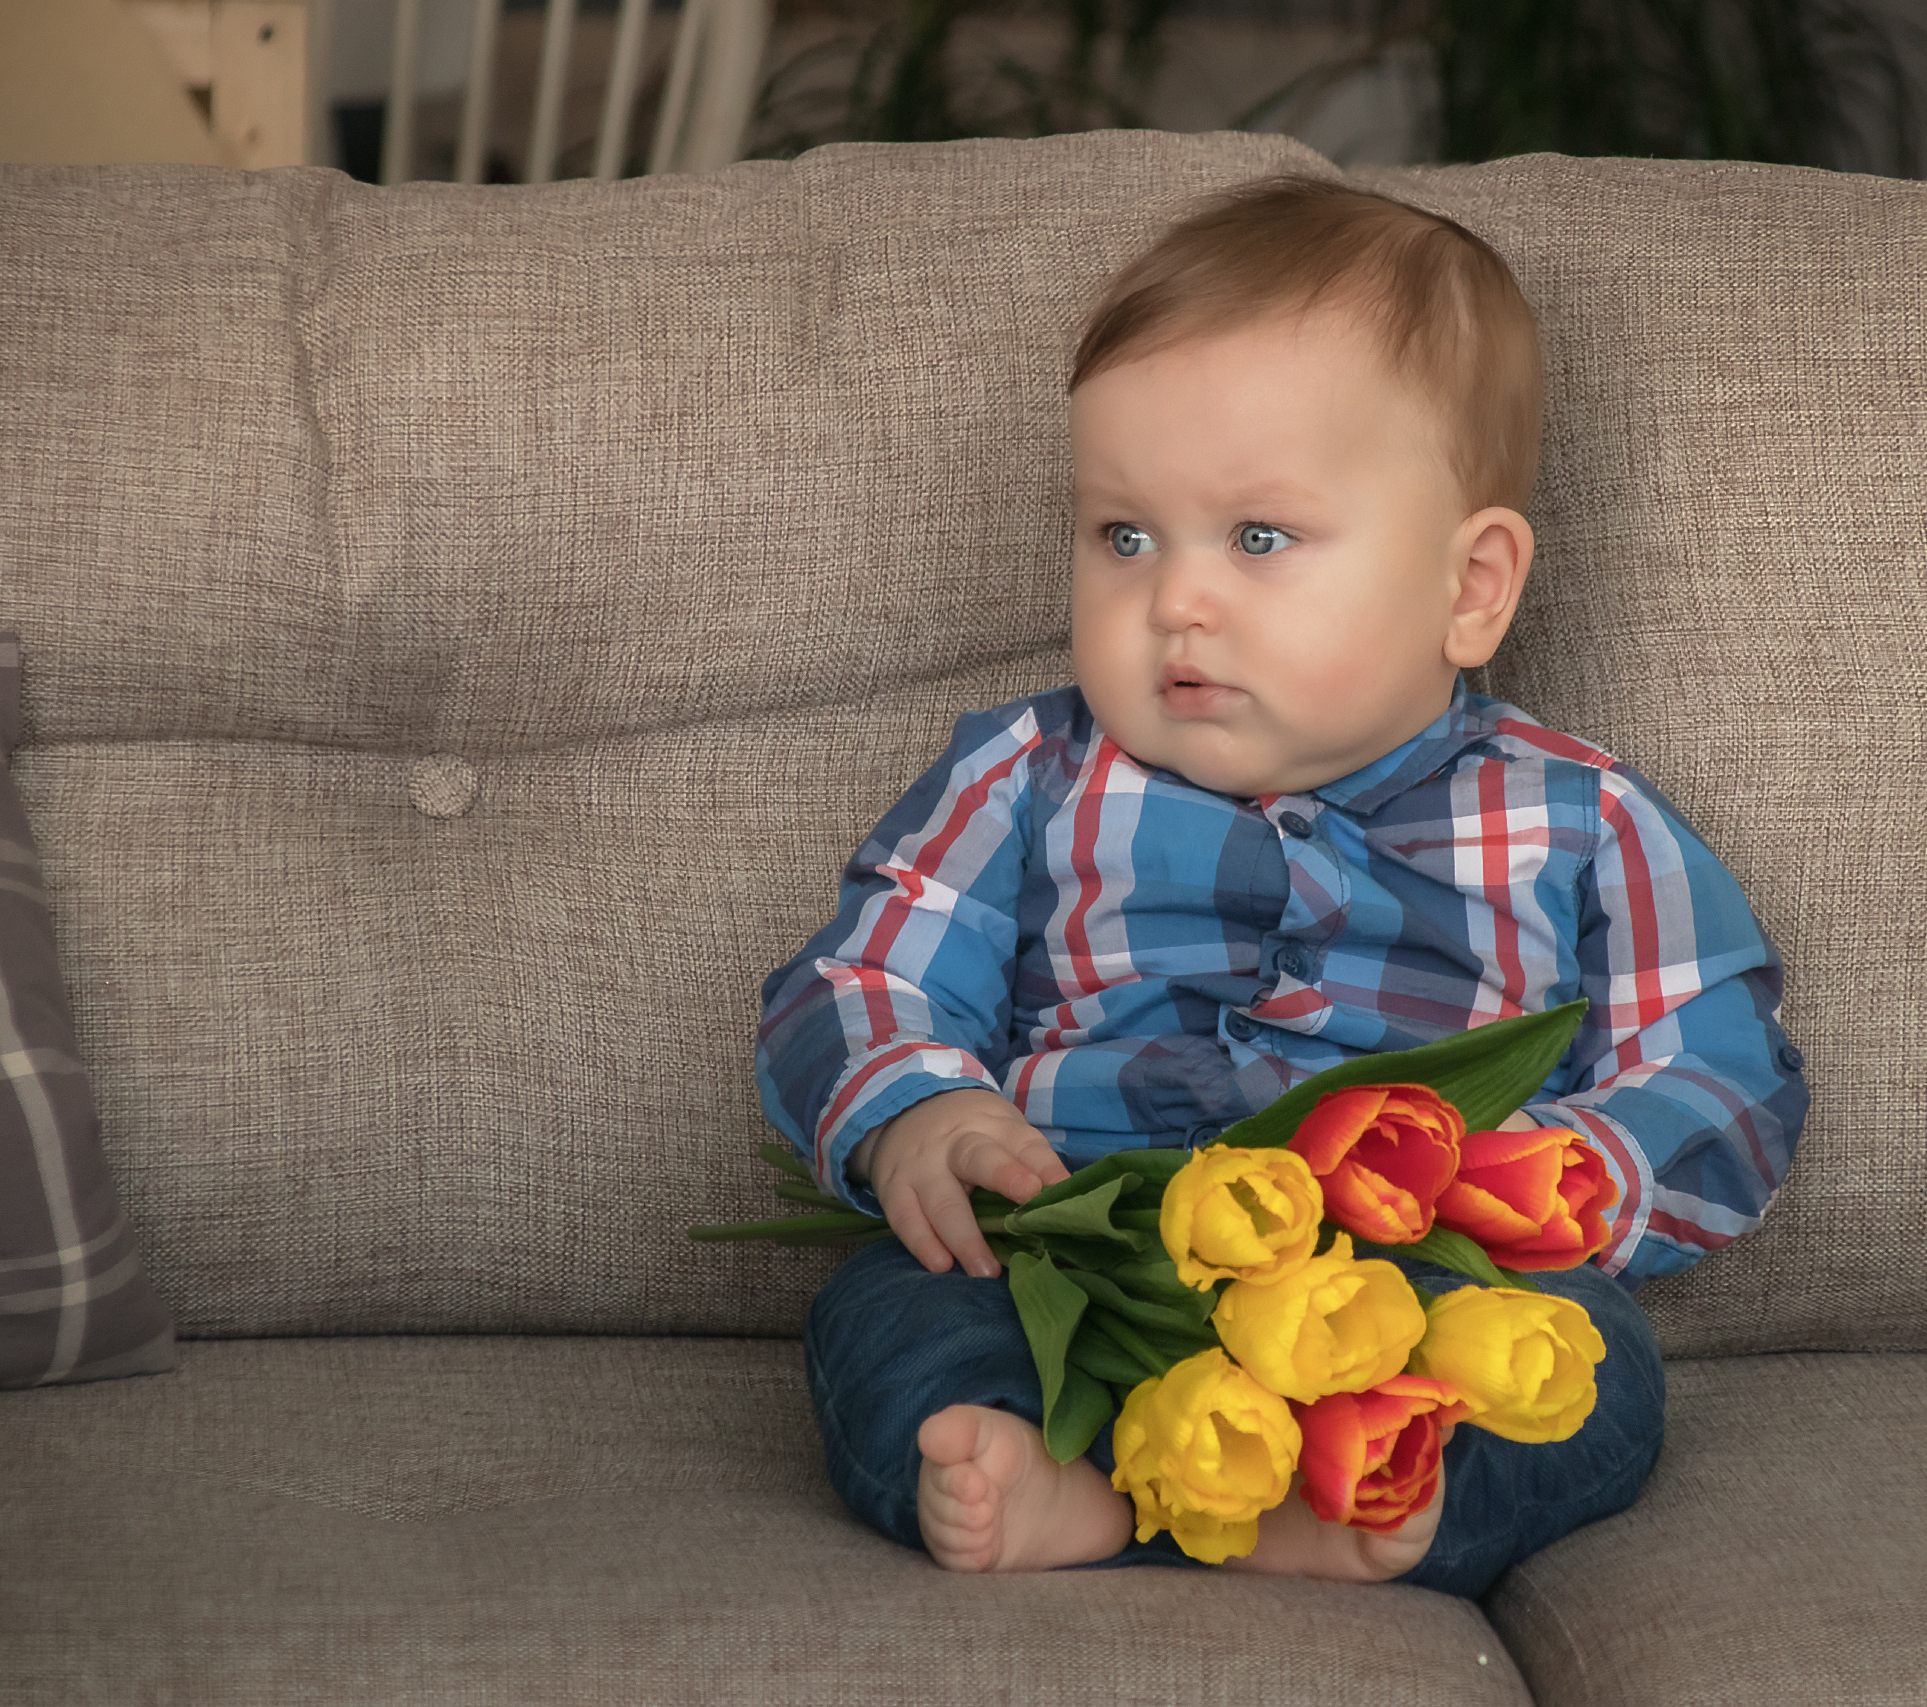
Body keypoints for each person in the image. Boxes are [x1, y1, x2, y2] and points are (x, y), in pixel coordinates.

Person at [755, 176, 1808, 1597]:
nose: (1175, 602)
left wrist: (1577, 1175)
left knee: (1592, 1376)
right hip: (1078, 1245)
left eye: (1258, 539)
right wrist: (917, 1112)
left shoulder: (1572, 817)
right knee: (888, 1328)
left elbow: (1722, 1062)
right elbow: (861, 974)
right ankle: (1060, 1479)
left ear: (1471, 586)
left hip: (1406, 1285)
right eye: (1123, 537)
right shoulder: (1031, 773)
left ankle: (1375, 1502)